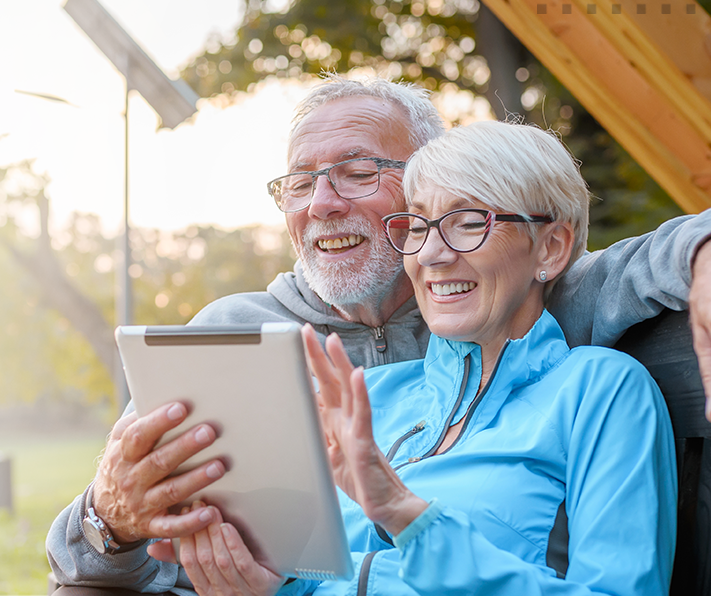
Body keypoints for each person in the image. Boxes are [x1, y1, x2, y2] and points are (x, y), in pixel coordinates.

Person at [46, 76, 711, 594]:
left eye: (357, 171)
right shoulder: (269, 350)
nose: (323, 202)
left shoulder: (554, 335)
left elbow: (619, 262)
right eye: (300, 183)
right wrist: (109, 518)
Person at [172, 120, 676, 596]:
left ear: (550, 248)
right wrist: (273, 582)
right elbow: (329, 576)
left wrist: (403, 513)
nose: (431, 253)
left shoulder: (601, 391)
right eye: (417, 226)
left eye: (467, 222)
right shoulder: (375, 394)